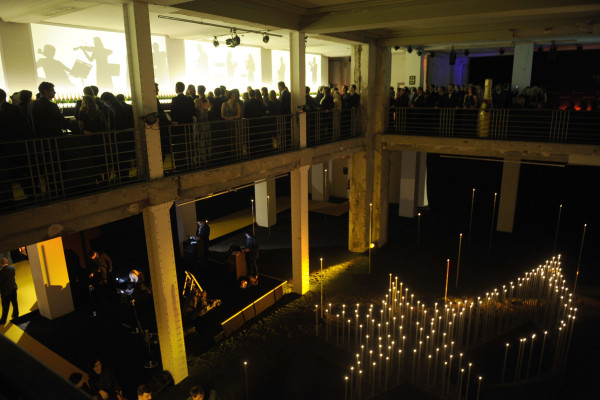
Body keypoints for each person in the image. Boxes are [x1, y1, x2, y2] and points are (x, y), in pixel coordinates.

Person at [0, 258, 18, 325]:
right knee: (15, 303)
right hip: (13, 288)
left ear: (1, 264)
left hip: (5, 292)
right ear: (7, 262)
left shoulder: (1, 272)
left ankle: (3, 320)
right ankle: (15, 315)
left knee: (5, 307)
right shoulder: (12, 268)